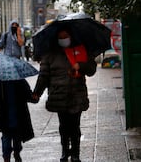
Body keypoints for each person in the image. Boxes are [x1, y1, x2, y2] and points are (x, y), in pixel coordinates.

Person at [32, 27, 97, 162]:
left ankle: (75, 154)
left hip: (77, 94)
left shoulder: (80, 50)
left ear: (71, 36)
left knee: (75, 126)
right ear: (56, 39)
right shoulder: (50, 54)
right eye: (60, 37)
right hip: (59, 95)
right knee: (64, 126)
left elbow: (91, 69)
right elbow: (43, 76)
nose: (63, 39)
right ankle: (65, 151)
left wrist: (80, 66)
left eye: (65, 36)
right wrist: (37, 92)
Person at [0, 79, 34, 162]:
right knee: (16, 136)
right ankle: (15, 154)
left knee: (7, 137)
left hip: (5, 115)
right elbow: (27, 92)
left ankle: (7, 156)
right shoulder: (19, 79)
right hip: (16, 115)